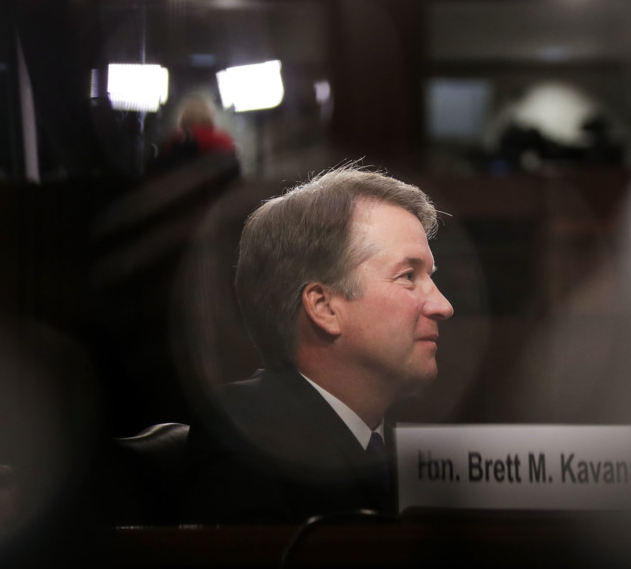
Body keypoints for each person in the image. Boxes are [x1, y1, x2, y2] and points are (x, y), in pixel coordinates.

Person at [184, 166, 454, 523]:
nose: (443, 307)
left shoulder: (403, 443)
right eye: (408, 276)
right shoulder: (250, 431)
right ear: (324, 307)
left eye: (429, 277)